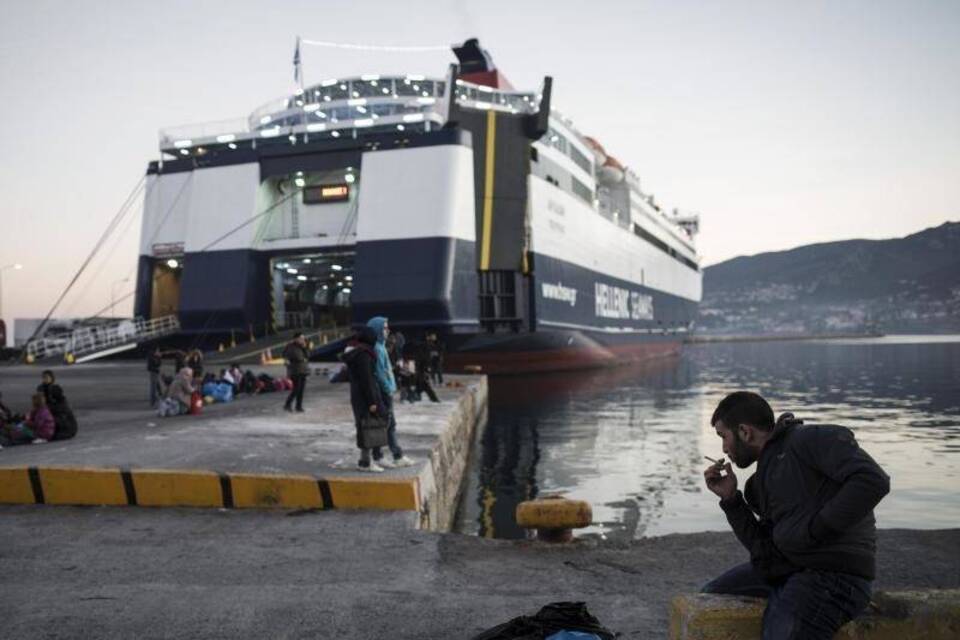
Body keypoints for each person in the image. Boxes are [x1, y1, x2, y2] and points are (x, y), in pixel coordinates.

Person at [701, 391, 890, 639]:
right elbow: (765, 553)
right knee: (710, 596)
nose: (724, 449)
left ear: (745, 432)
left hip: (834, 577)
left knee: (780, 632)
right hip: (789, 568)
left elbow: (872, 481)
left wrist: (817, 529)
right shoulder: (759, 484)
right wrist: (731, 500)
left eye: (723, 437)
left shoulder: (809, 440)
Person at [366, 316, 414, 468]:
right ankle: (387, 455)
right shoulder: (378, 349)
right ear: (377, 330)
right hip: (384, 392)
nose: (388, 330)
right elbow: (380, 373)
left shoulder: (380, 346)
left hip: (387, 391)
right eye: (385, 328)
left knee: (388, 424)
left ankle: (391, 455)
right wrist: (389, 389)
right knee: (387, 424)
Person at [341, 326, 385, 472]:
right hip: (365, 396)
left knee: (364, 426)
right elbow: (367, 380)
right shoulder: (364, 355)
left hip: (357, 395)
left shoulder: (357, 352)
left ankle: (366, 460)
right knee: (367, 427)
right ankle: (366, 462)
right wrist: (372, 401)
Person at [37, 370, 78, 440]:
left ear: (52, 378)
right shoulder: (41, 390)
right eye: (43, 378)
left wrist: (48, 408)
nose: (45, 379)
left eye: (47, 377)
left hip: (65, 426)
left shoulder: (56, 393)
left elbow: (62, 408)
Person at [283, 332, 310, 412]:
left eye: (303, 338)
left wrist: (304, 348)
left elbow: (308, 356)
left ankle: (298, 406)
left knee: (301, 389)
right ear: (296, 339)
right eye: (301, 338)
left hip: (303, 370)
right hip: (295, 371)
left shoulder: (302, 347)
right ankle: (287, 404)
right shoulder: (290, 346)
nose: (303, 340)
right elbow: (293, 357)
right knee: (296, 389)